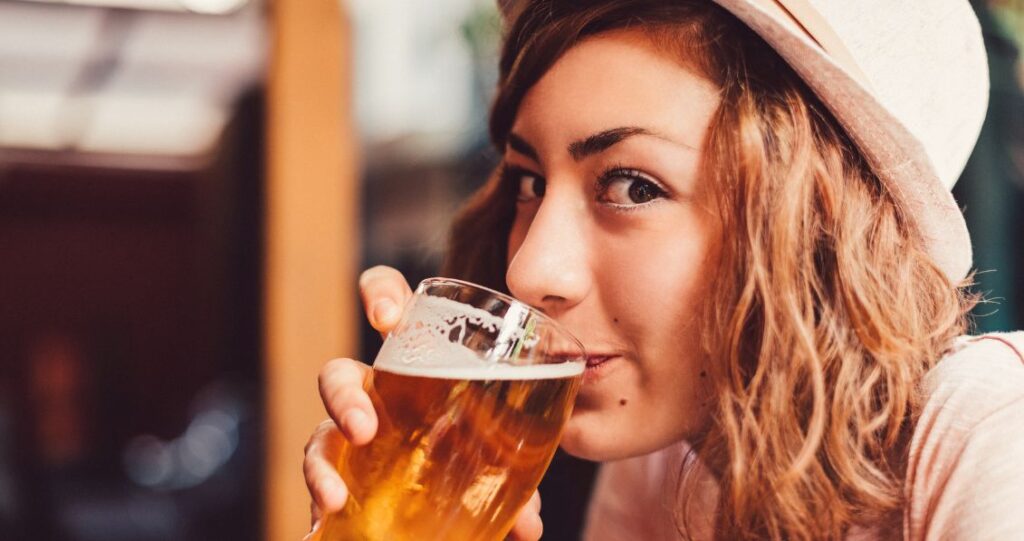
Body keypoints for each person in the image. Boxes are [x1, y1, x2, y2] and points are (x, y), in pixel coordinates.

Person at [303, 1, 1024, 539]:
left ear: (817, 224)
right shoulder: (669, 458)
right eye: (529, 180)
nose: (527, 270)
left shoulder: (987, 433)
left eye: (633, 186)